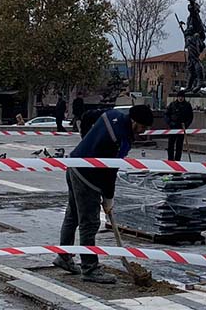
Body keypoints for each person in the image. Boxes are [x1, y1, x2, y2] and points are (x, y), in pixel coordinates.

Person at [55, 104, 154, 284]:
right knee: (89, 223)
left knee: (73, 216)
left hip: (74, 164)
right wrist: (108, 198)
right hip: (87, 178)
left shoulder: (112, 114)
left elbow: (86, 116)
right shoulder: (119, 140)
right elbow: (110, 172)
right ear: (134, 121)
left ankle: (64, 257)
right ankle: (90, 269)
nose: (143, 132)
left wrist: (86, 141)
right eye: (142, 127)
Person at [165, 93, 194, 162]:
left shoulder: (187, 105)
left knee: (179, 145)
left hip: (181, 127)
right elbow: (166, 114)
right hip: (173, 127)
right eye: (179, 97)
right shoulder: (172, 104)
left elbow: (190, 117)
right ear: (177, 97)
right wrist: (169, 122)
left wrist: (186, 125)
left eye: (182, 97)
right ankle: (170, 159)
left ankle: (177, 159)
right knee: (170, 144)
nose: (180, 98)